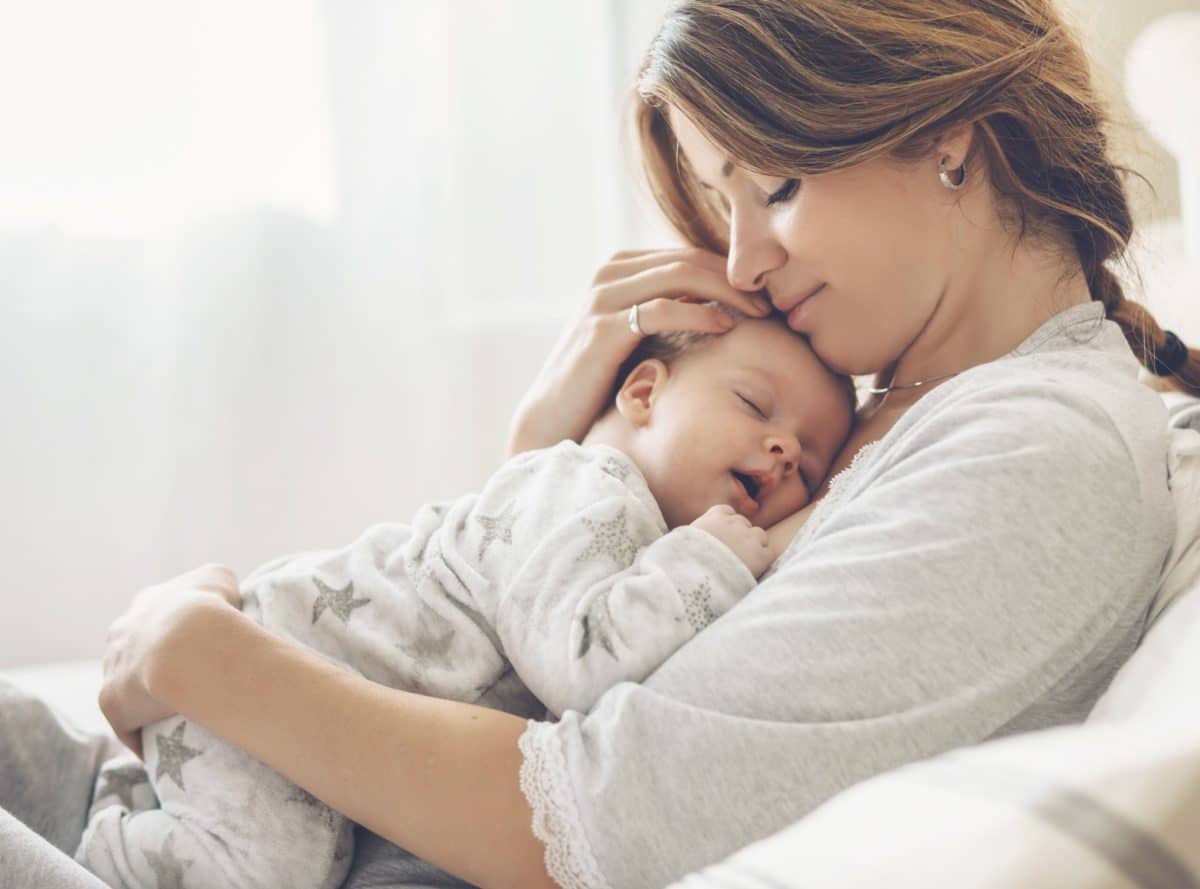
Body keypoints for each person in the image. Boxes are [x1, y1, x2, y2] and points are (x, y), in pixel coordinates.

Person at [3, 1, 1199, 887]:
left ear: (953, 139)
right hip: (248, 808)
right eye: (722, 207)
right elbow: (506, 649)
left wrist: (202, 655)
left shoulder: (1041, 455)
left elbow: (598, 813)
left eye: (773, 185)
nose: (742, 263)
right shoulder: (882, 399)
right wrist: (544, 447)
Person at [69, 314, 855, 889]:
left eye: (811, 464)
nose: (786, 449)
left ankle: (138, 798)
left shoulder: (622, 524)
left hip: (266, 689)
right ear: (643, 392)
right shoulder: (588, 485)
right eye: (755, 406)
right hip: (253, 678)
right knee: (279, 869)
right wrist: (711, 558)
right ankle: (105, 850)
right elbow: (581, 663)